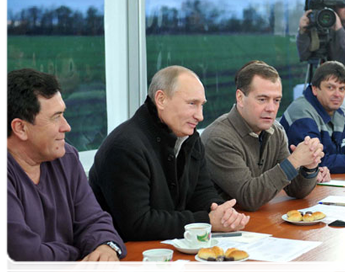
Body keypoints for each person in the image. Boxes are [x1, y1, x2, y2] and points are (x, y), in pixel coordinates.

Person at [89, 66, 250, 241]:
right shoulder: (125, 147)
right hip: (131, 256)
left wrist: (222, 212)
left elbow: (202, 193)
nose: (200, 116)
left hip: (171, 246)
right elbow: (137, 224)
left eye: (201, 105)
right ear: (161, 99)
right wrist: (207, 221)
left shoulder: (191, 139)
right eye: (192, 104)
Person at [5, 69, 126, 272]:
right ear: (20, 128)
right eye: (56, 117)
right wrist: (77, 250)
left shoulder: (66, 157)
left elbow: (95, 220)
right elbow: (24, 259)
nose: (67, 127)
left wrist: (106, 247)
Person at [201, 61, 327, 212]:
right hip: (224, 229)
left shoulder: (276, 131)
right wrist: (294, 161)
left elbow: (296, 191)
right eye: (262, 99)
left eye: (276, 100)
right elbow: (249, 197)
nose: (271, 108)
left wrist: (309, 167)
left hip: (256, 224)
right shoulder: (218, 137)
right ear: (240, 98)